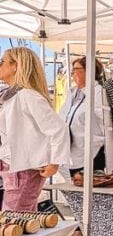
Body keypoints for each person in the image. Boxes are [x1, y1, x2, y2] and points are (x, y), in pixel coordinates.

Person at [0, 47, 70, 211]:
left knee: (13, 221)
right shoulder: (12, 96)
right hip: (14, 167)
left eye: (2, 62)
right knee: (18, 222)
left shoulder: (27, 96)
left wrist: (54, 163)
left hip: (24, 170)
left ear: (16, 65)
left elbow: (58, 129)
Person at [60, 56, 108, 176]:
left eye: (76, 69)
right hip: (70, 152)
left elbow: (105, 121)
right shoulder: (73, 92)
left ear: (89, 70)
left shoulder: (99, 93)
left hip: (90, 153)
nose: (72, 74)